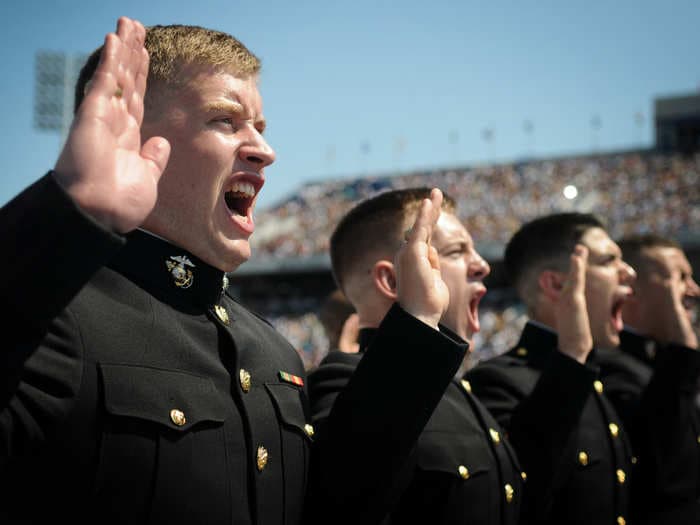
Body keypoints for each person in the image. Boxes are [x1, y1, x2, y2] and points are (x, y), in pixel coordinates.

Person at [0, 18, 467, 525]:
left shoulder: (273, 352)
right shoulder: (58, 322)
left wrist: (417, 324)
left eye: (260, 129)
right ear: (132, 135)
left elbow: (334, 508)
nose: (264, 151)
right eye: (225, 121)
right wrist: (67, 214)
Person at [311, 188, 587, 524]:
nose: (483, 266)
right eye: (457, 251)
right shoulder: (344, 380)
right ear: (393, 279)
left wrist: (573, 354)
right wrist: (417, 321)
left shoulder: (460, 393)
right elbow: (340, 499)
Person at [466, 212, 637, 525]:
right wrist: (571, 359)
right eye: (608, 260)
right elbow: (523, 496)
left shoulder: (598, 376)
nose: (628, 272)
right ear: (557, 284)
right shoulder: (496, 381)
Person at [603, 233, 700, 522]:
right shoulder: (608, 368)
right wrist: (683, 347)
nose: (694, 289)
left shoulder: (658, 359)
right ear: (631, 289)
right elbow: (666, 466)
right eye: (680, 278)